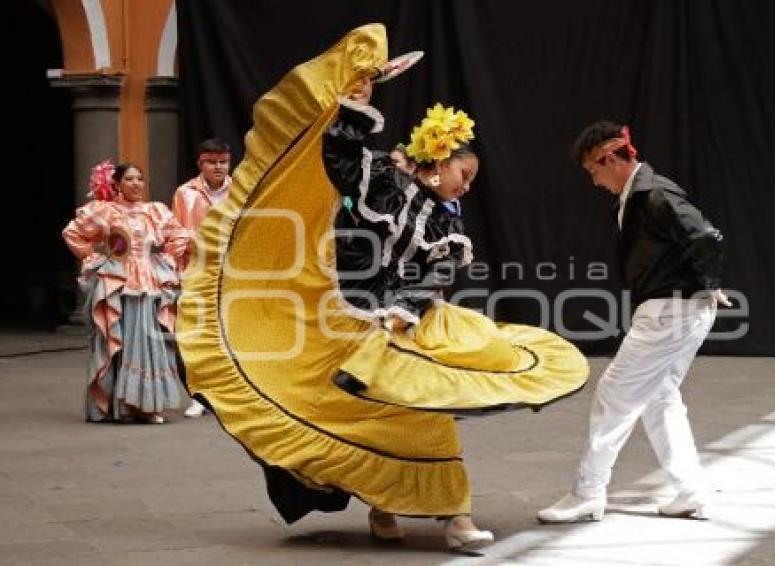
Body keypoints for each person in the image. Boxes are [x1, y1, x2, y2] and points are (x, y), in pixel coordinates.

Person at [177, 24, 587, 552]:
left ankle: (451, 517)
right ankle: (393, 508)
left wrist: (409, 310)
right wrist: (353, 105)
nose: (467, 185)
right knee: (377, 420)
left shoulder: (442, 219)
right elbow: (341, 161)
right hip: (361, 322)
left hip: (413, 324)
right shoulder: (386, 185)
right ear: (439, 161)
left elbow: (438, 272)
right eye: (465, 172)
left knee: (427, 415)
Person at [537, 121, 729, 524]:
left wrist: (707, 283)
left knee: (615, 393)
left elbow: (705, 236)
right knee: (660, 398)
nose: (593, 181)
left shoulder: (652, 193)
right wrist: (705, 286)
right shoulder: (640, 194)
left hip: (670, 311)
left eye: (593, 169)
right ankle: (691, 491)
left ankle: (588, 492)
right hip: (675, 309)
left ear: (610, 158)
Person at [63, 161, 189, 424]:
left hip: (148, 281)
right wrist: (94, 259)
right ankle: (119, 406)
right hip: (117, 281)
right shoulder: (106, 212)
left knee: (148, 342)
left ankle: (146, 404)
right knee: (119, 342)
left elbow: (180, 235)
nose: (136, 184)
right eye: (130, 179)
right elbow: (73, 233)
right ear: (117, 184)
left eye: (140, 179)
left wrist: (164, 259)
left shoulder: (154, 211)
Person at [171, 138, 233, 418]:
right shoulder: (185, 194)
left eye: (223, 162)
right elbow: (176, 233)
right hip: (196, 273)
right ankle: (199, 394)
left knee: (230, 335)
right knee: (196, 336)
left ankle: (229, 394)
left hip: (233, 274)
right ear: (201, 163)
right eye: (212, 162)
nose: (218, 167)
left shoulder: (241, 191)